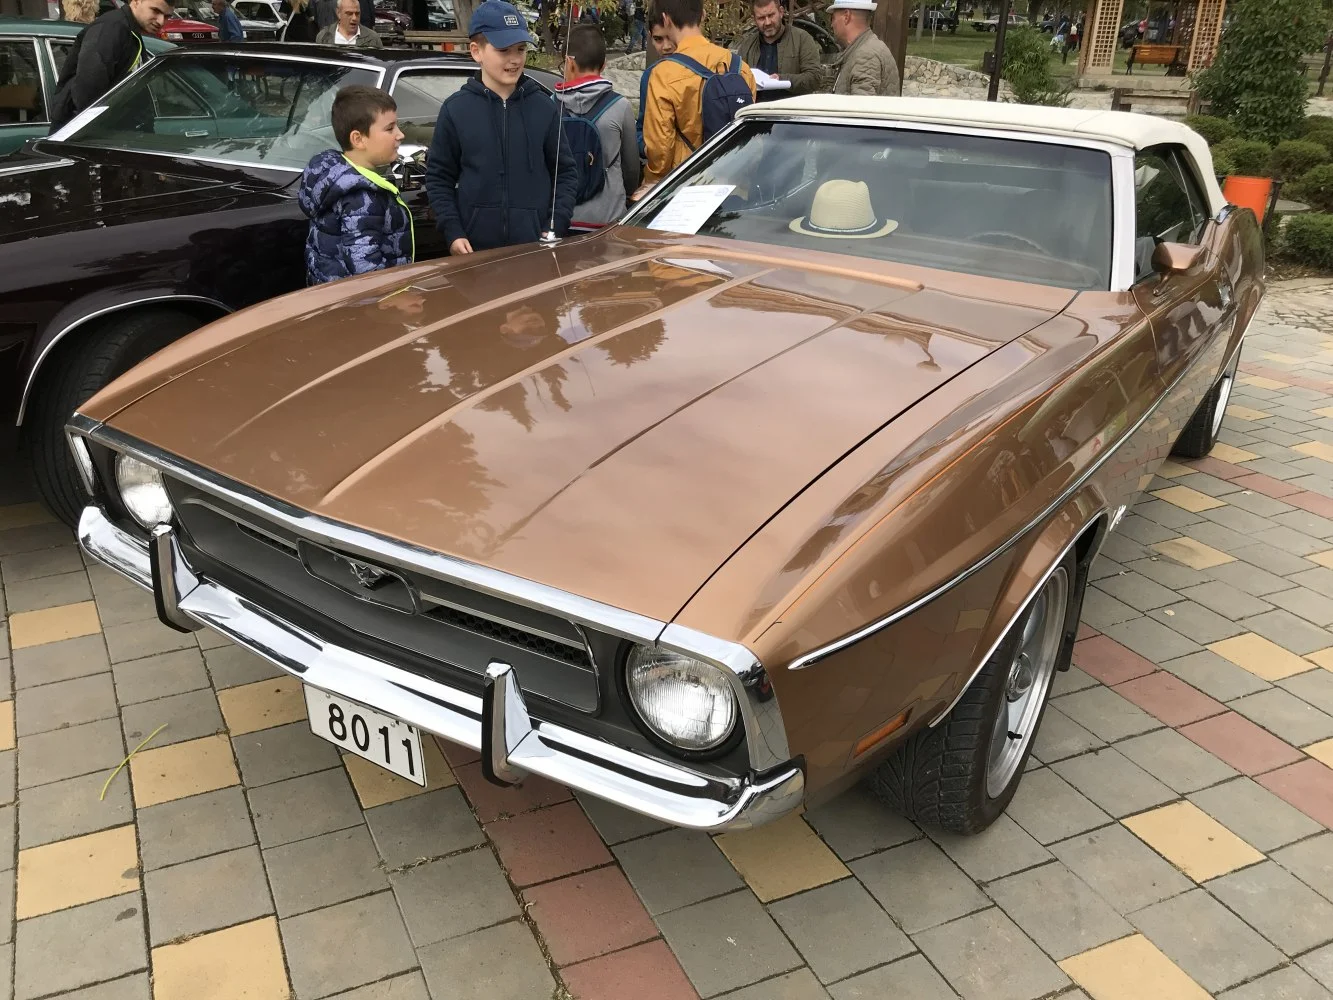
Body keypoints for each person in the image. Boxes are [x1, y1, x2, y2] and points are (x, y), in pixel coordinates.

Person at [424, 0, 576, 254]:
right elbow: (439, 178)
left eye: (520, 49)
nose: (515, 59)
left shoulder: (545, 107)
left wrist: (556, 224)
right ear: (476, 51)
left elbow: (566, 174)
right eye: (504, 50)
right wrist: (453, 232)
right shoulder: (455, 110)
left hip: (534, 252)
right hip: (474, 254)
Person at [299, 85, 413, 285]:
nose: (400, 134)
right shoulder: (361, 198)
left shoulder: (333, 178)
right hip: (371, 306)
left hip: (331, 296)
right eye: (390, 128)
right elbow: (367, 272)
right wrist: (397, 299)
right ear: (358, 139)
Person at [638, 0, 755, 190]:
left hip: (685, 185)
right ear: (702, 16)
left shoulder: (663, 74)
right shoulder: (740, 66)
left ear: (665, 20)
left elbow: (660, 151)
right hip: (735, 181)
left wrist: (651, 181)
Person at [556, 25, 639, 230]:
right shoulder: (620, 106)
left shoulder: (550, 105)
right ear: (604, 65)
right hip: (608, 220)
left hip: (561, 218)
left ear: (569, 62)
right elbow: (631, 169)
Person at [49, 0, 173, 129]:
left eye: (167, 16)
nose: (161, 21)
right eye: (155, 11)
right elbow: (87, 93)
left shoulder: (128, 30)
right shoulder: (112, 28)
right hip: (88, 138)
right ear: (136, 2)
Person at [734, 0, 822, 101]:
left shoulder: (802, 39)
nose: (767, 22)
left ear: (781, 12)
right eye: (761, 18)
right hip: (755, 111)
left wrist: (782, 80)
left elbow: (814, 78)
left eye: (771, 15)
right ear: (754, 20)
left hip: (790, 112)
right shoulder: (747, 45)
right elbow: (735, 79)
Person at [827, 0, 898, 96]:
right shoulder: (866, 48)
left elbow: (861, 108)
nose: (832, 25)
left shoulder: (866, 56)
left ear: (846, 16)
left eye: (833, 18)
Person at [635, 6, 675, 158]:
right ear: (650, 36)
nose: (666, 47)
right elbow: (642, 125)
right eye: (658, 39)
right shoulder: (650, 76)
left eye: (670, 38)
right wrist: (645, 148)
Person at [315, 0, 384, 44]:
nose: (354, 18)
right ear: (338, 13)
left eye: (357, 13)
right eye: (349, 13)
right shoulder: (323, 37)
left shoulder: (373, 39)